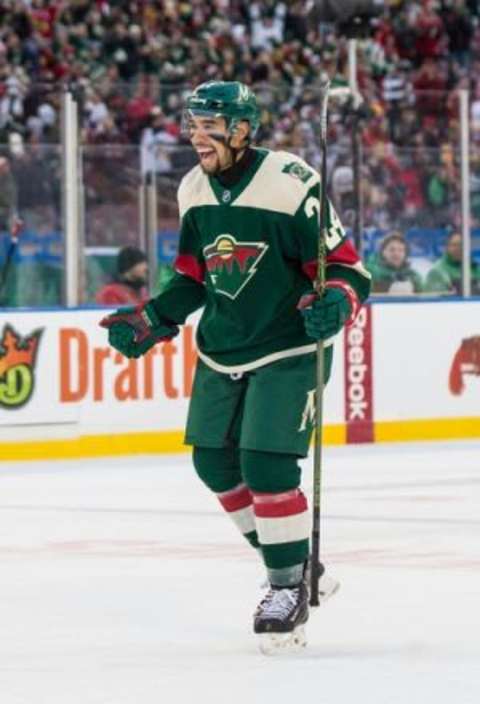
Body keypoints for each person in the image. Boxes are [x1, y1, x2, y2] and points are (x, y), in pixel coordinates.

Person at [99, 81, 371, 652]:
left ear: (243, 130)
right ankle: (296, 562)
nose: (196, 135)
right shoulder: (193, 188)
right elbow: (195, 275)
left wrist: (336, 303)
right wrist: (153, 317)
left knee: (265, 462)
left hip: (288, 344)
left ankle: (285, 585)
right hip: (222, 346)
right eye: (192, 124)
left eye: (210, 125)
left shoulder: (293, 183)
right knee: (215, 464)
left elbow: (348, 270)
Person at [425, 229, 480, 295]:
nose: (458, 248)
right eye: (454, 245)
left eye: (461, 245)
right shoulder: (437, 271)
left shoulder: (475, 267)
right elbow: (437, 300)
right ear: (446, 247)